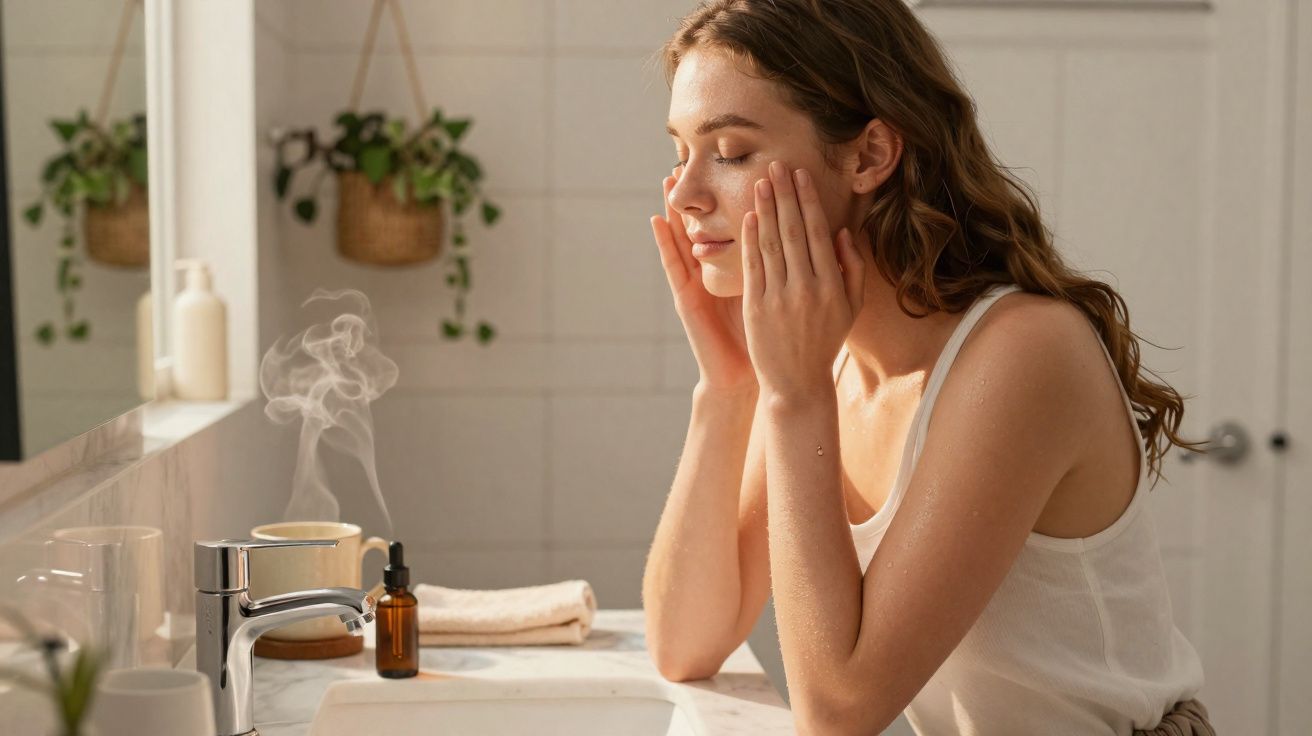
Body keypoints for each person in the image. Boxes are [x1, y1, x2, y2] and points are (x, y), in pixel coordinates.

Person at [640, 2, 1213, 734]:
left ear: (869, 156)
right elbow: (685, 643)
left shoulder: (1024, 355)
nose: (686, 194)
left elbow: (840, 710)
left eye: (731, 151)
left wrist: (793, 396)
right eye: (680, 152)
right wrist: (730, 387)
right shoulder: (838, 362)